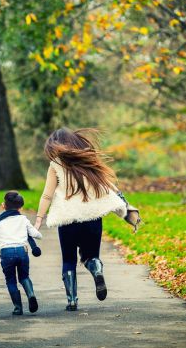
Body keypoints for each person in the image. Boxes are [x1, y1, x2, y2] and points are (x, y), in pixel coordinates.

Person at [33, 127, 139, 311]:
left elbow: (46, 196)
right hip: (92, 219)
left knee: (68, 259)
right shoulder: (89, 159)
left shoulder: (56, 164)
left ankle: (72, 301)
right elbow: (110, 187)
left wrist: (39, 218)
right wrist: (127, 209)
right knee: (91, 256)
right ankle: (97, 270)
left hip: (68, 220)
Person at [0, 191, 42, 315]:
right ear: (20, 207)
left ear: (3, 206)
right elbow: (36, 235)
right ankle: (31, 294)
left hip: (6, 253)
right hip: (22, 251)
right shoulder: (23, 219)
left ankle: (18, 308)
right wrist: (38, 231)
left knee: (11, 281)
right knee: (24, 277)